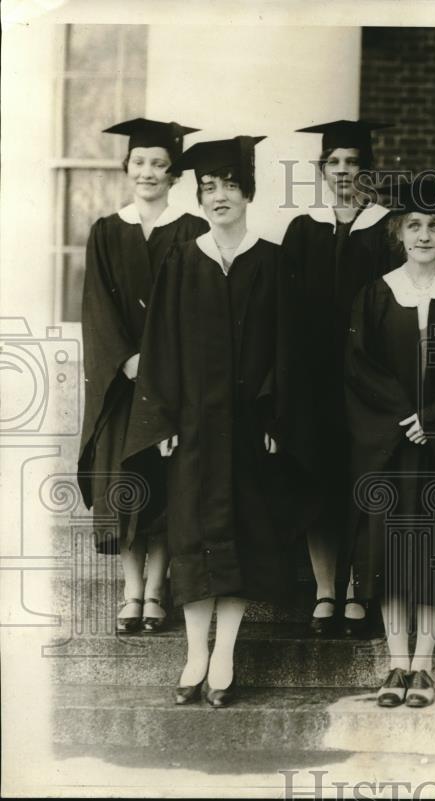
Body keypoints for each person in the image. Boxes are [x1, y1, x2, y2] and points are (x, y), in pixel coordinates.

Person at [124, 135, 307, 708]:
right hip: (194, 429)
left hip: (249, 429)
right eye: (209, 187)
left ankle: (223, 654)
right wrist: (163, 419)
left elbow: (288, 347)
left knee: (242, 540)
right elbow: (161, 344)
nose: (219, 195)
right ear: (199, 197)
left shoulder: (272, 261)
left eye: (230, 185)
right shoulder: (182, 260)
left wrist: (277, 415)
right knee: (193, 537)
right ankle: (194, 654)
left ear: (248, 193)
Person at [344, 176, 435, 709]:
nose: (424, 235)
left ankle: (423, 665)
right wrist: (406, 416)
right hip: (392, 445)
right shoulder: (376, 293)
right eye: (414, 225)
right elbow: (360, 368)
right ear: (398, 232)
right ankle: (395, 661)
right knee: (391, 548)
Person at [77, 118, 208, 635]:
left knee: (168, 483)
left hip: (175, 383)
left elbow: (198, 311)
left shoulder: (193, 230)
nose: (148, 172)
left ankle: (156, 590)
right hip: (122, 384)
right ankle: (131, 592)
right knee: (125, 481)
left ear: (174, 174)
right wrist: (127, 361)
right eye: (139, 162)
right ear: (126, 167)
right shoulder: (107, 231)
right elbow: (96, 308)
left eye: (159, 164)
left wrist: (163, 371)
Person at [282, 120, 394, 639]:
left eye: (353, 162)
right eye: (335, 163)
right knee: (319, 480)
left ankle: (357, 588)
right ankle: (325, 589)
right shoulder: (302, 229)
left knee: (362, 480)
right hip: (315, 381)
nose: (344, 171)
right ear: (322, 170)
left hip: (368, 379)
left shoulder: (386, 228)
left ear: (366, 170)